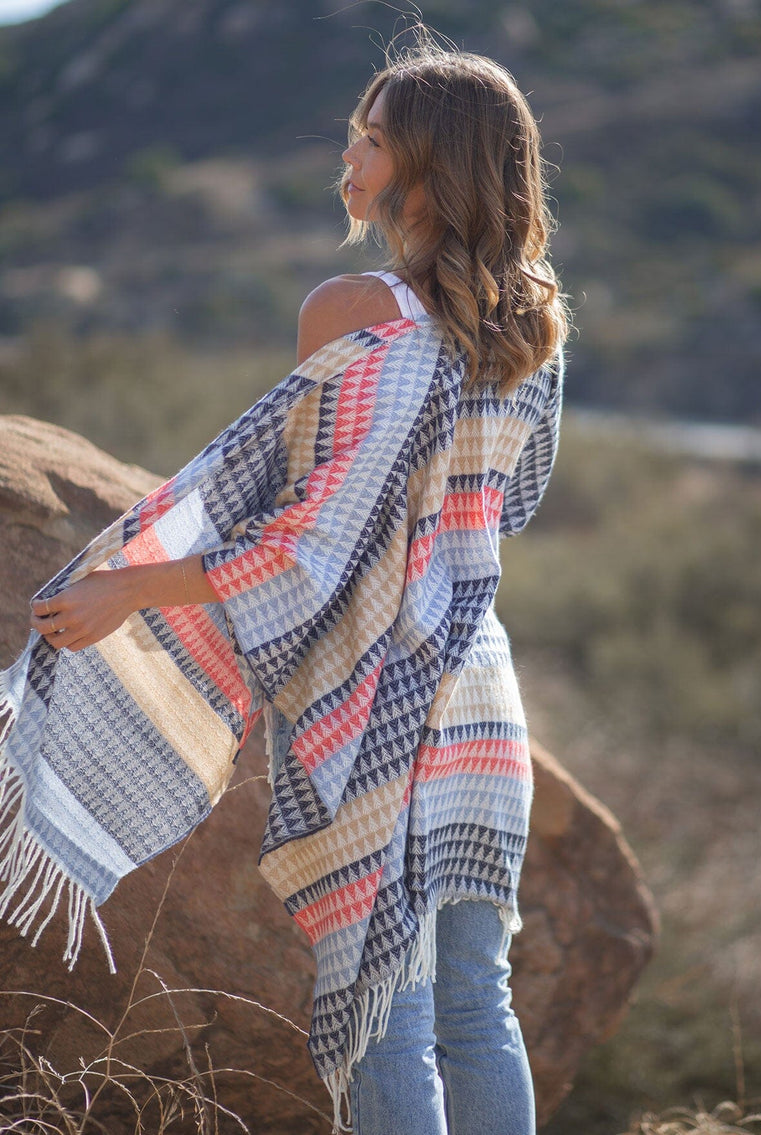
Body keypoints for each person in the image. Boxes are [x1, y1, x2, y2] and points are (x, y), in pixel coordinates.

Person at [9, 40, 567, 1135]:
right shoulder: (531, 323)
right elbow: (512, 506)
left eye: (371, 139)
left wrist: (129, 587)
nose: (347, 157)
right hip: (479, 692)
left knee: (386, 1015)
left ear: (428, 164)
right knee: (476, 1005)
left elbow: (303, 548)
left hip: (380, 710)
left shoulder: (357, 310)